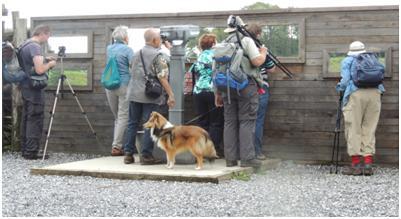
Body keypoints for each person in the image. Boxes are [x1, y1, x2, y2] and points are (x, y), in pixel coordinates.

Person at [215, 16, 267, 167]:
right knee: (247, 120)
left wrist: (217, 93)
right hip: (245, 85)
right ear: (241, 27)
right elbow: (256, 61)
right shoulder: (246, 40)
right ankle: (247, 158)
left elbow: (216, 70)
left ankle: (230, 159)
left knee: (229, 121)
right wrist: (263, 52)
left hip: (226, 88)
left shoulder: (222, 44)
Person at [124, 28, 175, 165]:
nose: (161, 41)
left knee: (132, 124)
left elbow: (132, 72)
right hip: (150, 95)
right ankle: (146, 156)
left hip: (133, 93)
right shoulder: (158, 56)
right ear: (154, 40)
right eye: (159, 38)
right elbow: (162, 77)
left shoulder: (135, 54)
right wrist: (171, 94)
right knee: (150, 125)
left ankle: (128, 154)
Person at [336, 41, 385, 176]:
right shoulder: (373, 59)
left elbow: (345, 81)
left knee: (353, 128)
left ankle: (356, 165)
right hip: (375, 94)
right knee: (369, 127)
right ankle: (368, 164)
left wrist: (339, 88)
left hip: (355, 94)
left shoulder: (347, 60)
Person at [19, 25, 57, 160]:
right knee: (35, 119)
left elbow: (30, 65)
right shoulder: (35, 47)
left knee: (27, 118)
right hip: (34, 88)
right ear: (43, 33)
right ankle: (32, 152)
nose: (47, 39)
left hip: (25, 86)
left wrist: (44, 59)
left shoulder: (24, 45)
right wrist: (50, 65)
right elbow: (40, 70)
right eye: (48, 36)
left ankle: (25, 149)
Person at [246, 23, 276, 160]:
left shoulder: (242, 46)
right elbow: (271, 69)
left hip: (243, 87)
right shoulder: (259, 49)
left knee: (244, 120)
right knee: (258, 120)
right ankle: (256, 152)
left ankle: (243, 152)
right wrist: (265, 53)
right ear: (258, 34)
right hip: (260, 88)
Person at [190, 33, 224, 156]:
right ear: (213, 44)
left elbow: (194, 72)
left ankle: (202, 149)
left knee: (202, 122)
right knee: (216, 122)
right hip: (212, 91)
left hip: (198, 91)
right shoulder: (216, 56)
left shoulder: (199, 57)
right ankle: (213, 150)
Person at [105, 26, 134, 156]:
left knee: (117, 117)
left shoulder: (109, 49)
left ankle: (117, 145)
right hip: (123, 85)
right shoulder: (128, 50)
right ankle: (117, 147)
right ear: (125, 37)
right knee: (123, 117)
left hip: (109, 84)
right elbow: (134, 66)